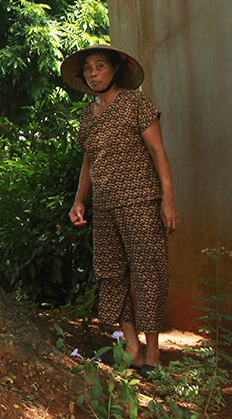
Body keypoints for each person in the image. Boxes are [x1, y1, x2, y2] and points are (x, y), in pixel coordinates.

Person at [61, 45, 178, 376]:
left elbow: (158, 152)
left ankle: (153, 353)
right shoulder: (88, 115)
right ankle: (132, 346)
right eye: (88, 68)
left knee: (148, 273)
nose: (94, 72)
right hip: (106, 207)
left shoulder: (136, 103)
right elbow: (88, 161)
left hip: (141, 201)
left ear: (115, 70)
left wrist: (168, 199)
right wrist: (79, 200)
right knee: (110, 273)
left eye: (100, 66)